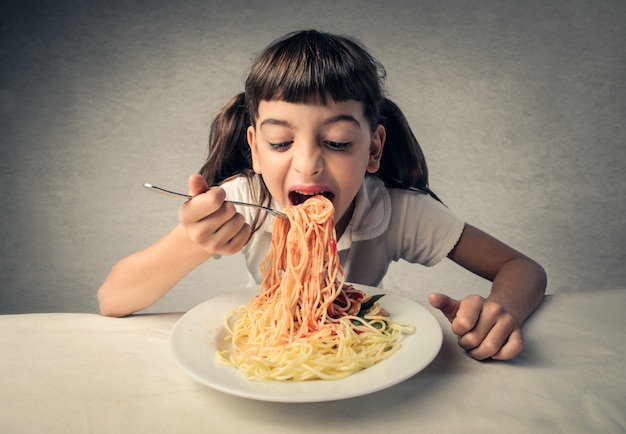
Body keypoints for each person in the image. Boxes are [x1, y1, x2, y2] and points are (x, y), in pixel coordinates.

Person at [97, 29, 546, 361]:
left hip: (363, 353)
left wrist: (501, 310)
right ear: (254, 149)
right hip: (271, 352)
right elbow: (112, 299)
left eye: (336, 142)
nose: (308, 164)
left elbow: (522, 268)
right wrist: (195, 242)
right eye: (280, 143)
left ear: (373, 150)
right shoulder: (243, 203)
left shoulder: (397, 211)